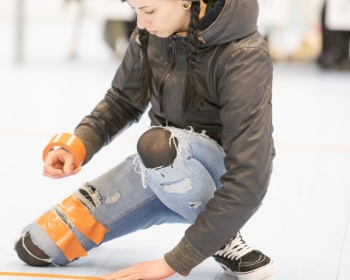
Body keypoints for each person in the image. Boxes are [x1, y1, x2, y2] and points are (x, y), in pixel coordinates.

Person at [14, 0, 276, 279]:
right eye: (135, 10)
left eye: (149, 11)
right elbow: (123, 100)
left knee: (158, 145)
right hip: (157, 167)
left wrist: (174, 262)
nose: (140, 23)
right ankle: (215, 232)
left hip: (214, 176)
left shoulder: (244, 53)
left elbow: (250, 175)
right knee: (34, 247)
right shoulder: (150, 35)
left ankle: (223, 239)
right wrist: (79, 144)